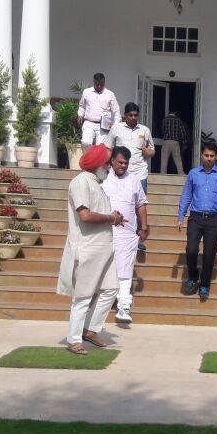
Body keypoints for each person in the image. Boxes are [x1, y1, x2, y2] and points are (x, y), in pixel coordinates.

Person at [57, 144, 123, 355]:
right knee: (83, 296)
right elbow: (85, 216)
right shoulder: (80, 182)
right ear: (98, 163)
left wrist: (113, 218)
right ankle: (74, 339)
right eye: (107, 162)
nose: (110, 166)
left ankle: (91, 329)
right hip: (87, 247)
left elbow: (99, 213)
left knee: (111, 290)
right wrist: (111, 218)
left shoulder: (96, 183)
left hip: (103, 248)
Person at [101, 145, 149, 324]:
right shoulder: (102, 179)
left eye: (126, 163)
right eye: (120, 162)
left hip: (128, 234)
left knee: (125, 270)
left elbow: (141, 204)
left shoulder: (134, 180)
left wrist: (144, 227)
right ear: (112, 161)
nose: (123, 166)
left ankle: (123, 307)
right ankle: (102, 304)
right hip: (105, 232)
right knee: (105, 268)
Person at [177, 141, 217, 300]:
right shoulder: (193, 173)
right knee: (191, 249)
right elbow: (186, 195)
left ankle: (205, 284)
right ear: (201, 155)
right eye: (206, 155)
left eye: (212, 156)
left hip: (213, 220)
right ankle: (193, 277)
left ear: (216, 156)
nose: (209, 158)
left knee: (209, 254)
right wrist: (181, 216)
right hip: (195, 217)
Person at [106, 102, 155, 192]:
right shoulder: (116, 128)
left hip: (140, 173)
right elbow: (108, 148)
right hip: (120, 172)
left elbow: (152, 151)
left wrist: (148, 151)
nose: (133, 118)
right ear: (125, 115)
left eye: (135, 115)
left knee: (140, 203)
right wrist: (109, 164)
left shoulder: (144, 130)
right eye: (130, 115)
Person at [77, 73, 120, 146]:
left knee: (100, 146)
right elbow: (82, 106)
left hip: (104, 124)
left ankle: (97, 158)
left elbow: (116, 111)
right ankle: (87, 158)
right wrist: (80, 114)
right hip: (89, 122)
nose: (99, 86)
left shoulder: (110, 94)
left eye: (101, 84)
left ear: (104, 82)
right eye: (97, 84)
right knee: (85, 142)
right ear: (93, 82)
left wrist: (116, 125)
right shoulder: (86, 92)